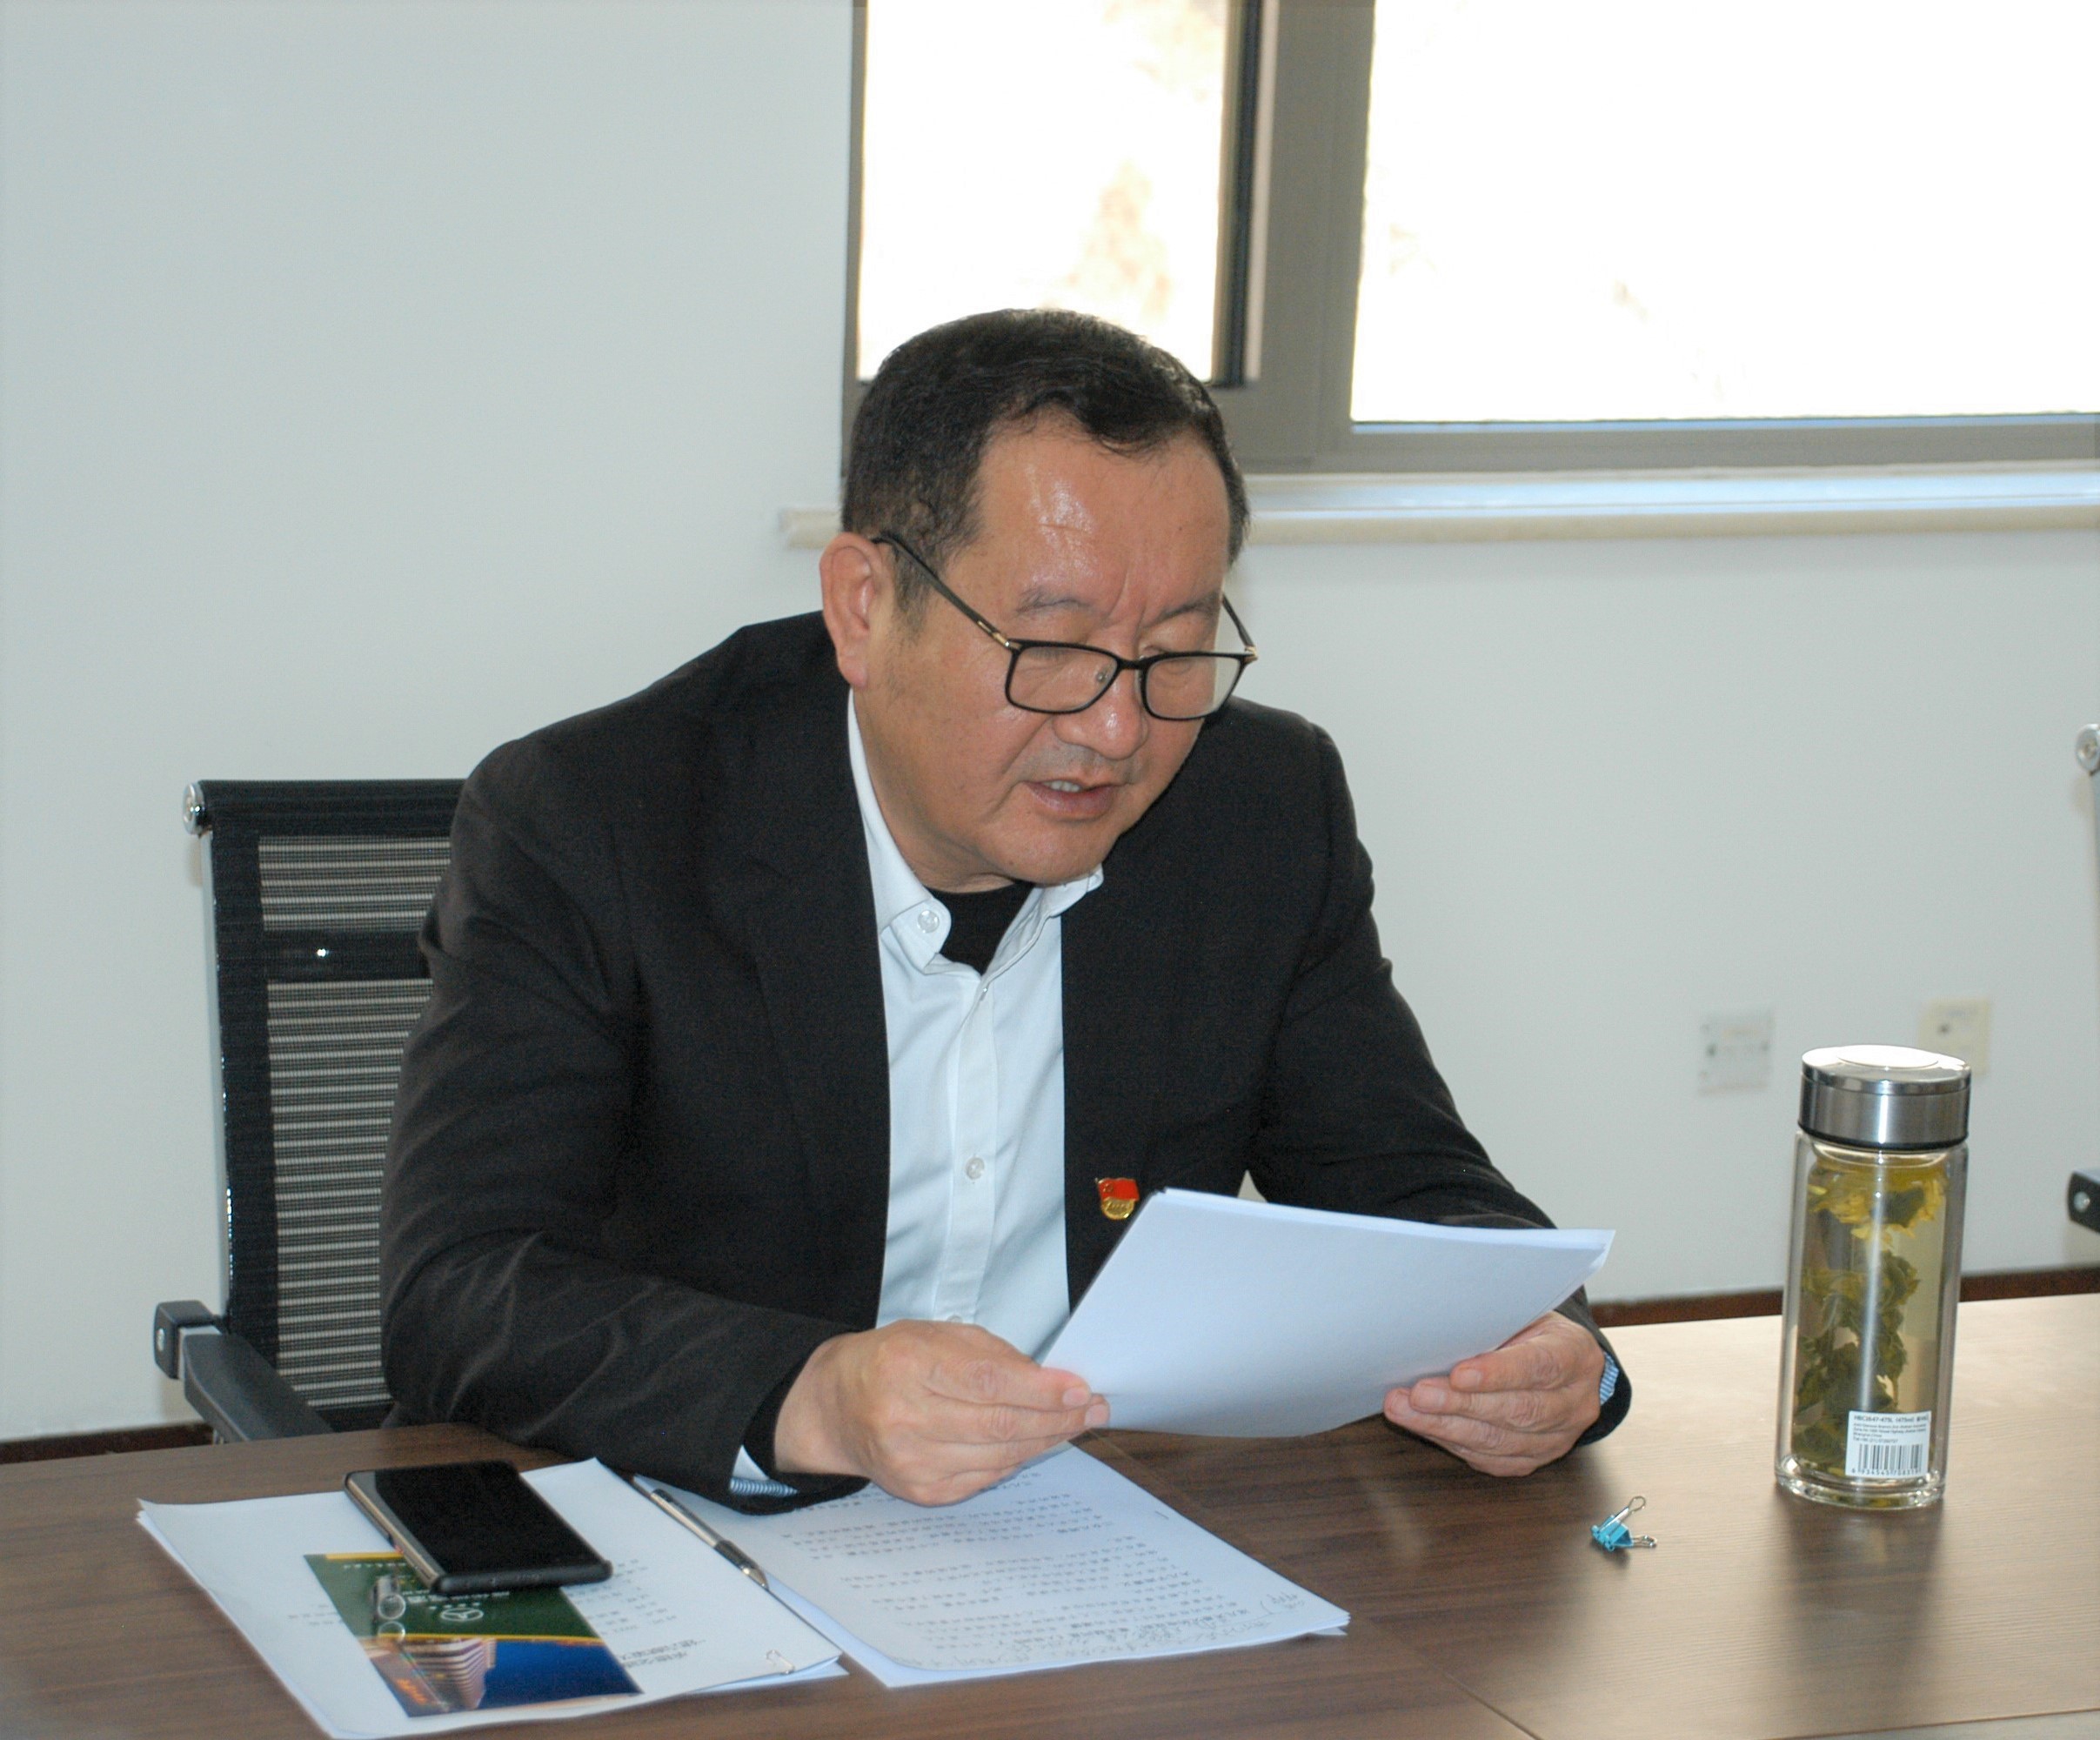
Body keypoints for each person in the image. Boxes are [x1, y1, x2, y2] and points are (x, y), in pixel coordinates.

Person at [379, 309, 1629, 1513]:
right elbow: (462, 1291)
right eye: (1054, 647)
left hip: (1107, 1527)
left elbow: (1405, 1182)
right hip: (706, 1532)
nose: (1117, 728)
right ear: (864, 607)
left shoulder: (1257, 808)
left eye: (1175, 648)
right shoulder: (596, 821)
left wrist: (1546, 1349)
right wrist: (812, 1395)